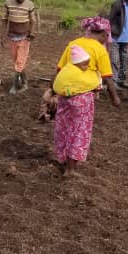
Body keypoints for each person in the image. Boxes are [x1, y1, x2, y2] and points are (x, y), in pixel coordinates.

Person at [52, 45, 102, 175]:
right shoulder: (81, 75)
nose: (87, 66)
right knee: (78, 135)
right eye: (85, 63)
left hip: (65, 109)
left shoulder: (65, 72)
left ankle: (63, 162)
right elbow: (95, 84)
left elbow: (57, 86)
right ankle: (70, 169)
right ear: (78, 62)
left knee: (65, 133)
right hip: (80, 111)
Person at [1, 0, 37, 94]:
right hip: (12, 37)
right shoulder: (8, 3)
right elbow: (4, 19)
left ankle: (15, 86)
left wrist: (32, 32)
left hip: (25, 37)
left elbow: (33, 20)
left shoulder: (29, 4)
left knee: (20, 62)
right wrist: (2, 35)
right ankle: (25, 83)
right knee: (17, 62)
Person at [109, 0, 128, 88]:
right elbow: (110, 20)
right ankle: (114, 82)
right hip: (117, 37)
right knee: (115, 60)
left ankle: (121, 79)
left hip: (126, 37)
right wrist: (111, 32)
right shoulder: (117, 5)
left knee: (126, 60)